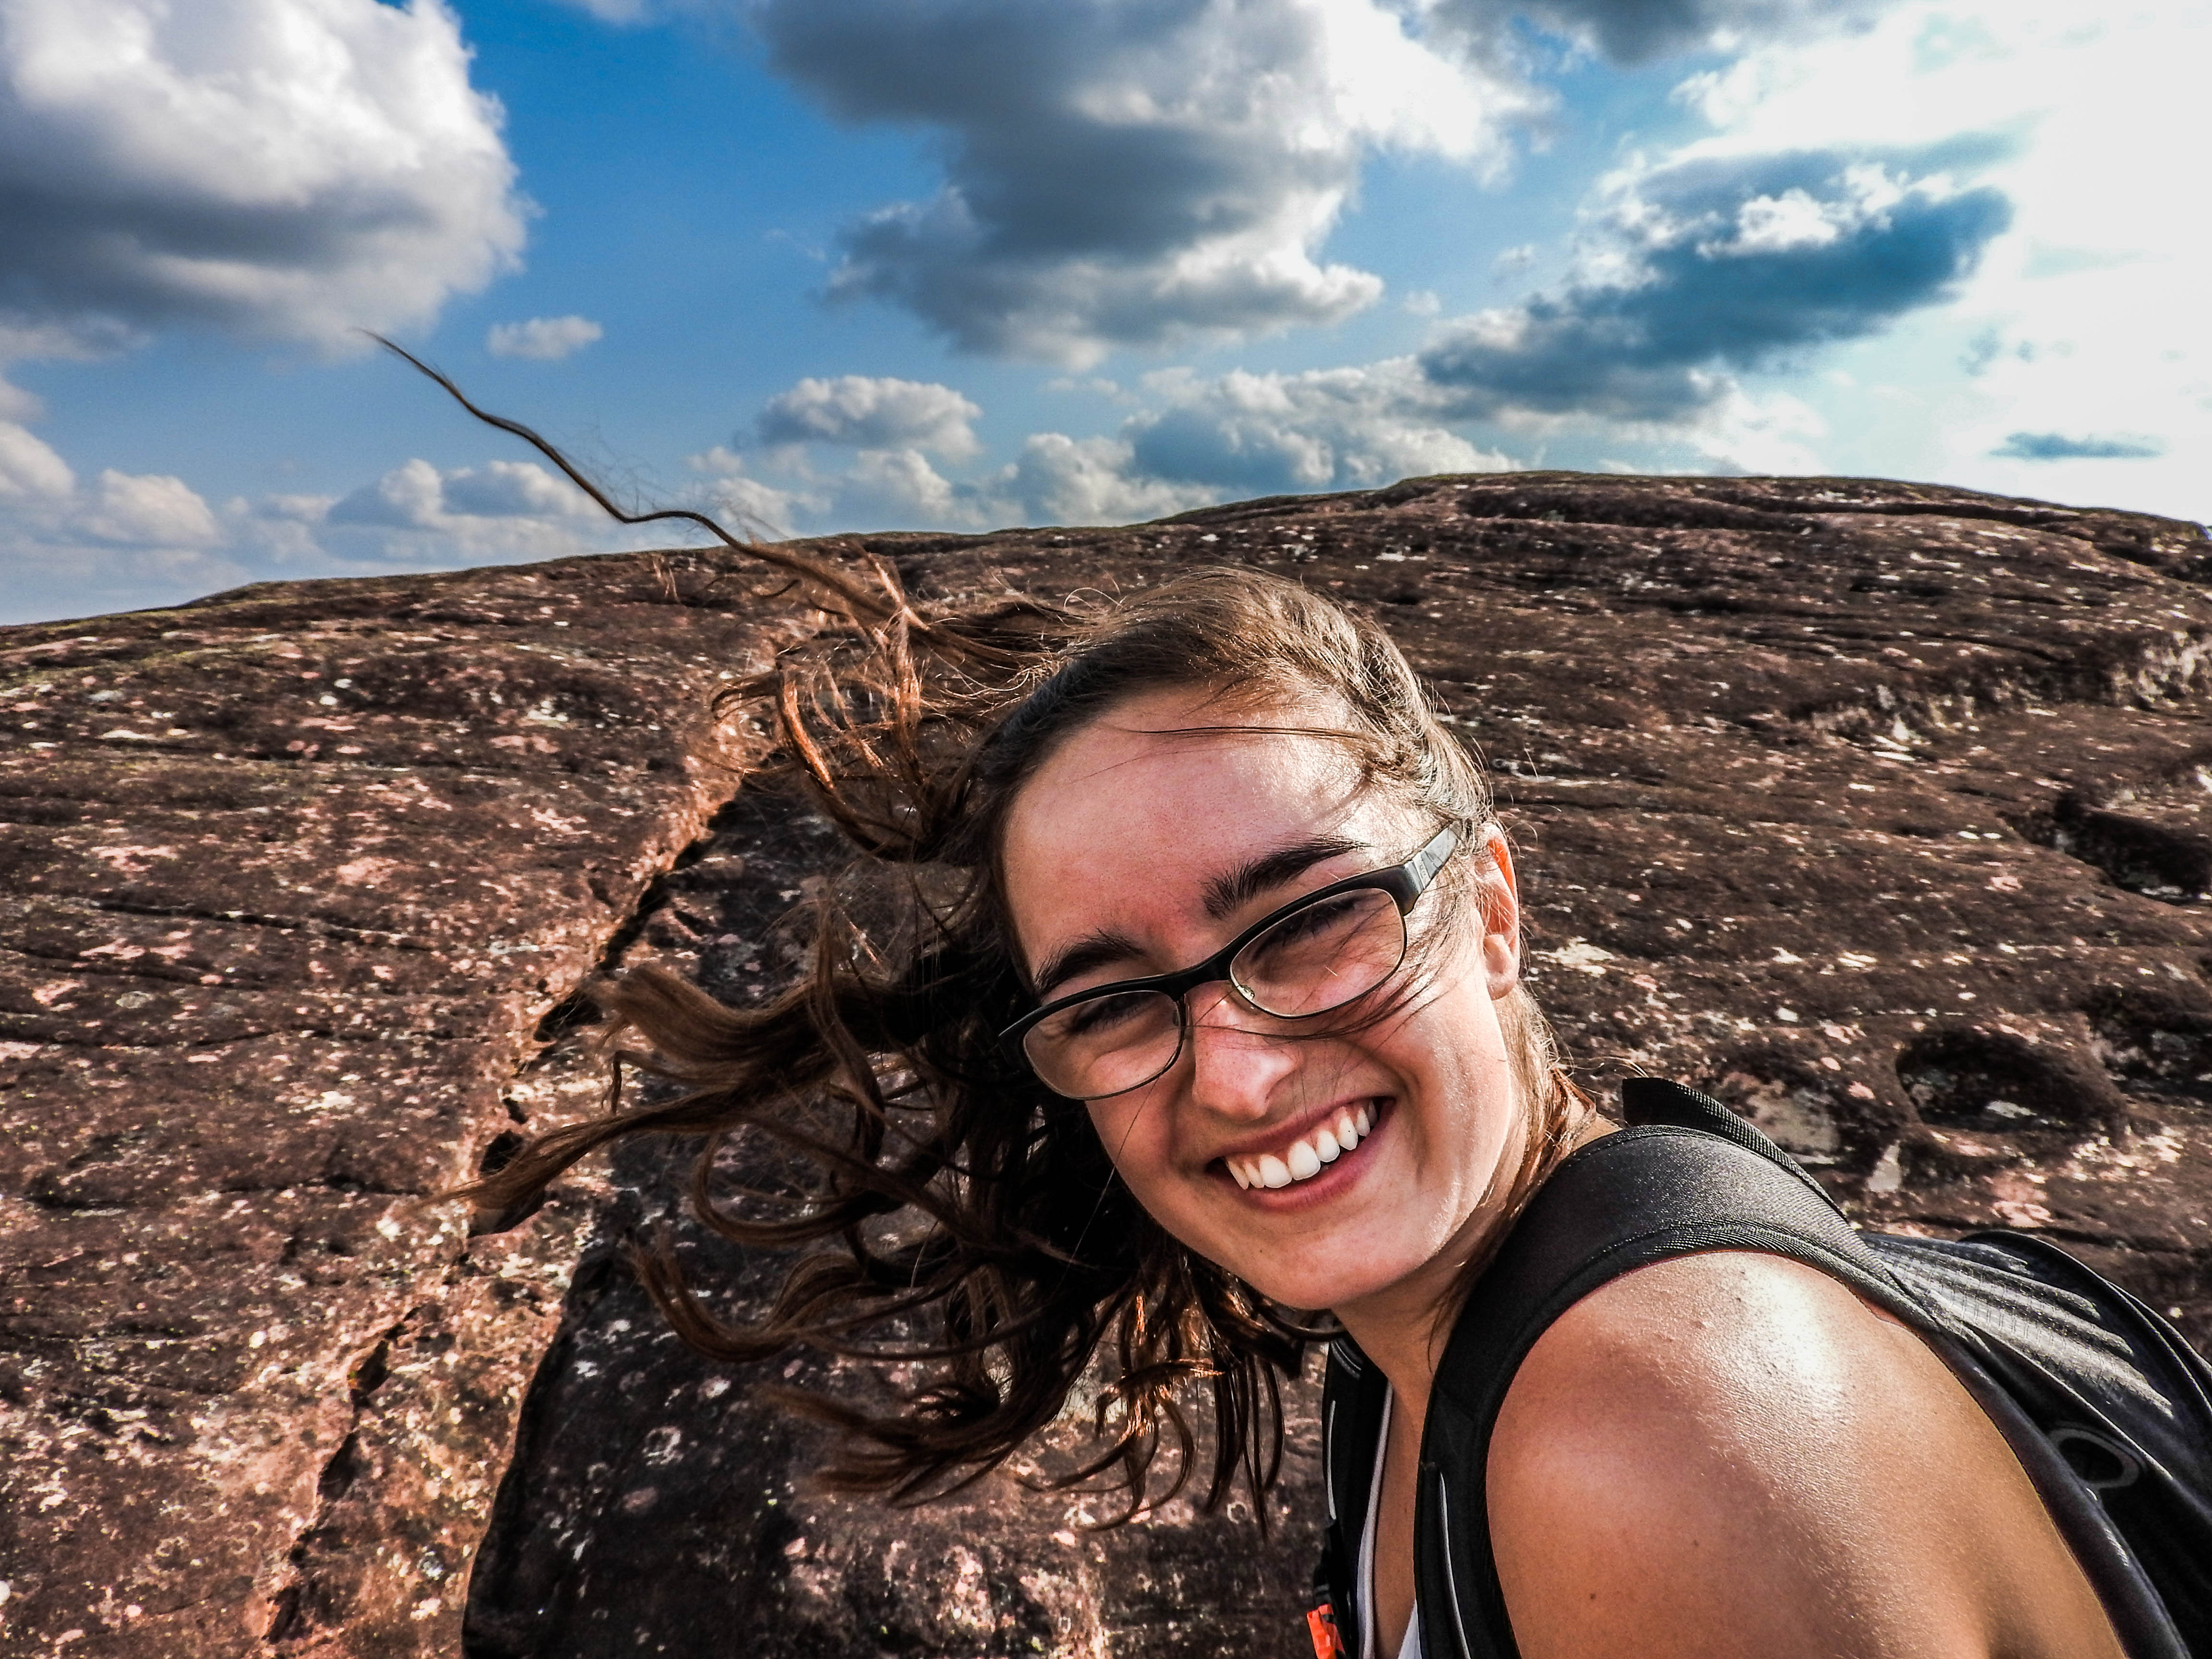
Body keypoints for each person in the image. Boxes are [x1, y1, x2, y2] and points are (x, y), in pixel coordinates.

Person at [464, 565, 2144, 1658]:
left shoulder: (1655, 1426)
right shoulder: (1412, 1360)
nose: (1238, 1074)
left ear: (1492, 910)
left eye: (1315, 921)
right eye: (1113, 1001)